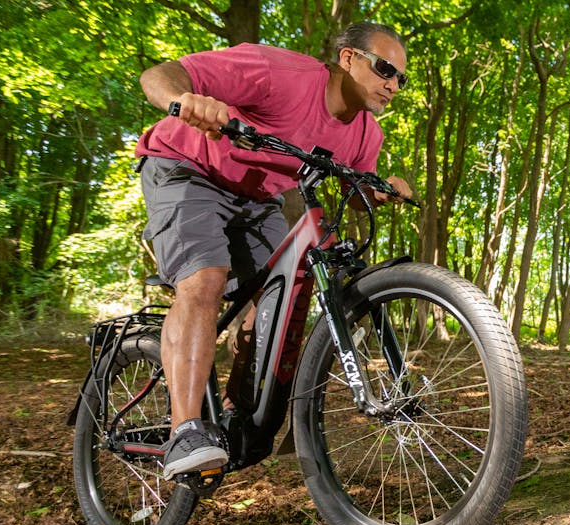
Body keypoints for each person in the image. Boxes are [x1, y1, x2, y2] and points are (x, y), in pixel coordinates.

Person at [135, 22, 413, 479]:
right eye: (385, 69)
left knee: (280, 298)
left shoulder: (365, 135)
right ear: (347, 59)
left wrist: (382, 190)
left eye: (402, 78)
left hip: (258, 196)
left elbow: (355, 185)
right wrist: (186, 100)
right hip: (186, 167)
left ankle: (235, 415)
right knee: (205, 279)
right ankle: (185, 431)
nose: (393, 85)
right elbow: (159, 76)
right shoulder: (276, 72)